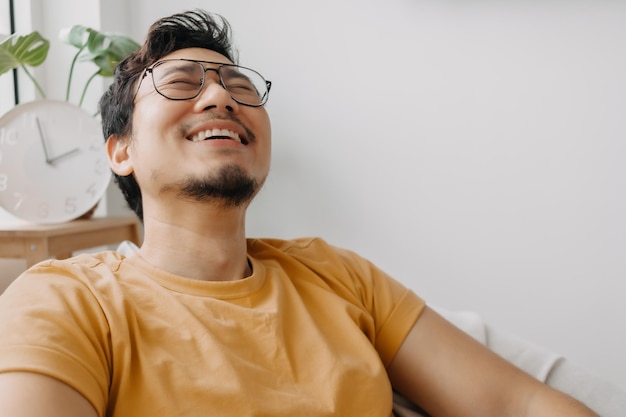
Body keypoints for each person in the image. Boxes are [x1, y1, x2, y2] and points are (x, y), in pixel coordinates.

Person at [0, 9, 601, 417]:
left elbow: (514, 404)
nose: (220, 95)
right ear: (120, 150)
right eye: (182, 83)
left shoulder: (336, 274)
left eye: (238, 85)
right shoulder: (64, 300)